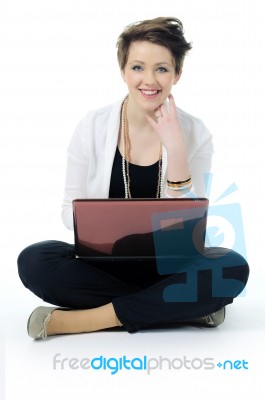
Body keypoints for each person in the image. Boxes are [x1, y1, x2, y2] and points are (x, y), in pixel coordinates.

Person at [17, 17, 249, 340]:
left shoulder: (195, 134)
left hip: (168, 268)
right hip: (105, 265)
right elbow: (69, 213)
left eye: (162, 69)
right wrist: (108, 225)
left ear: (177, 74)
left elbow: (189, 229)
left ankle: (84, 320)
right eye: (138, 67)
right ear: (123, 71)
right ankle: (182, 308)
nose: (149, 80)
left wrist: (177, 151)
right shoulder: (92, 127)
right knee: (34, 260)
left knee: (232, 267)